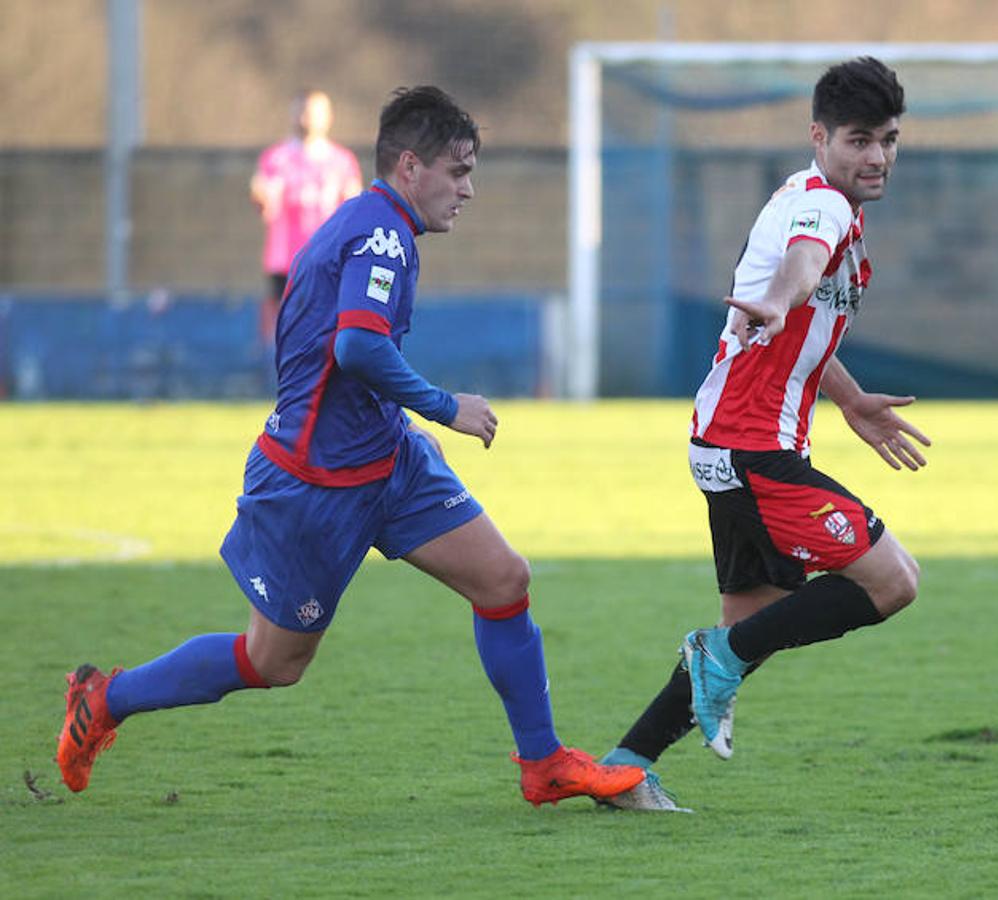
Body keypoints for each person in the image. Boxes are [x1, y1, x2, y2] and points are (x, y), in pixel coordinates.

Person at [56, 86, 645, 807]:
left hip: (387, 462)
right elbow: (359, 345)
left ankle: (543, 763)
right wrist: (444, 406)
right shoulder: (381, 236)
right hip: (314, 485)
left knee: (503, 581)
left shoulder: (379, 225)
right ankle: (105, 699)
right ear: (408, 166)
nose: (468, 190)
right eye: (457, 172)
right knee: (272, 662)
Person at [597, 57, 930, 812]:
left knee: (751, 632)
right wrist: (780, 300)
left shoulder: (816, 197)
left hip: (733, 442)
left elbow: (805, 321)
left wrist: (844, 399)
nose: (875, 156)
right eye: (857, 140)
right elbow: (802, 272)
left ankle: (623, 768)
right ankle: (713, 656)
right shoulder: (825, 209)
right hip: (753, 450)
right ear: (819, 137)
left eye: (888, 139)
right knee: (893, 581)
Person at [251, 89, 364, 346]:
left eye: (315, 112)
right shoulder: (276, 158)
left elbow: (353, 208)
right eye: (302, 111)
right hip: (286, 261)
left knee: (327, 328)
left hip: (328, 260)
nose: (307, 118)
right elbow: (262, 196)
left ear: (328, 117)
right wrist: (261, 196)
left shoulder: (342, 161)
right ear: (293, 115)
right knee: (289, 331)